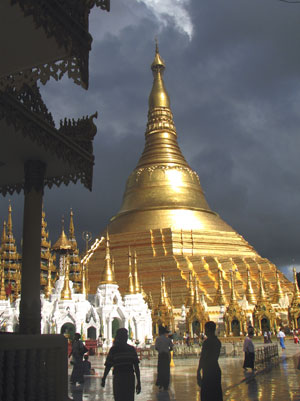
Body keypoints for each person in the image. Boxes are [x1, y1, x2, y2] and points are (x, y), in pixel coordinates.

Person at [101, 328, 141, 401]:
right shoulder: (116, 350)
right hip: (122, 377)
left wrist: (138, 381)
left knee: (124, 397)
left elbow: (136, 366)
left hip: (126, 377)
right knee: (123, 397)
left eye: (126, 335)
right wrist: (104, 378)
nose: (125, 337)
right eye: (124, 336)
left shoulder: (129, 349)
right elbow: (108, 366)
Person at [197, 321, 223, 401]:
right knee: (216, 393)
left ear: (208, 330)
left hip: (208, 370)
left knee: (207, 394)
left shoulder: (207, 342)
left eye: (206, 329)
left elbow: (203, 357)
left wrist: (198, 370)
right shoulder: (217, 341)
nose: (205, 331)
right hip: (215, 368)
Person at [155, 326, 173, 391]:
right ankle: (166, 384)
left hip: (160, 355)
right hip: (166, 355)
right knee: (166, 370)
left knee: (160, 370)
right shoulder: (168, 339)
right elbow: (171, 347)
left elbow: (156, 348)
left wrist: (160, 350)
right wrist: (167, 350)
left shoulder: (158, 339)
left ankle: (160, 383)